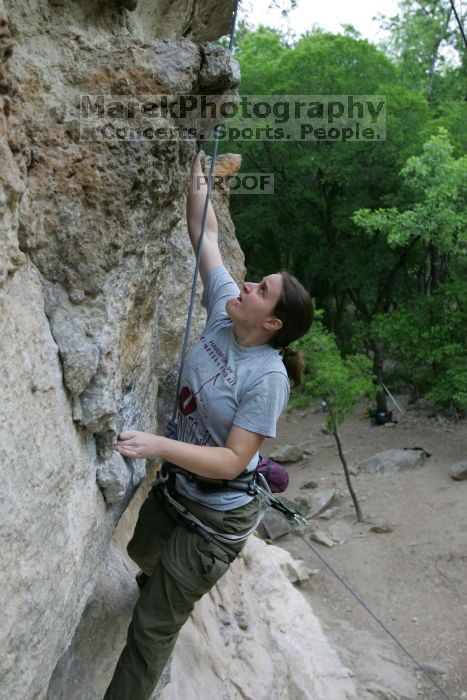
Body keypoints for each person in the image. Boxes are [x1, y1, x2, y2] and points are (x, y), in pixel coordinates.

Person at [103, 153, 314, 699]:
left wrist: (158, 446)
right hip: (180, 491)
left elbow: (232, 460)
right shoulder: (226, 312)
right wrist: (197, 181)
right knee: (143, 552)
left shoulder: (267, 378)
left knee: (151, 627)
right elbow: (205, 235)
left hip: (214, 520)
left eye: (260, 289)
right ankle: (160, 580)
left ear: (271, 323)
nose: (245, 284)